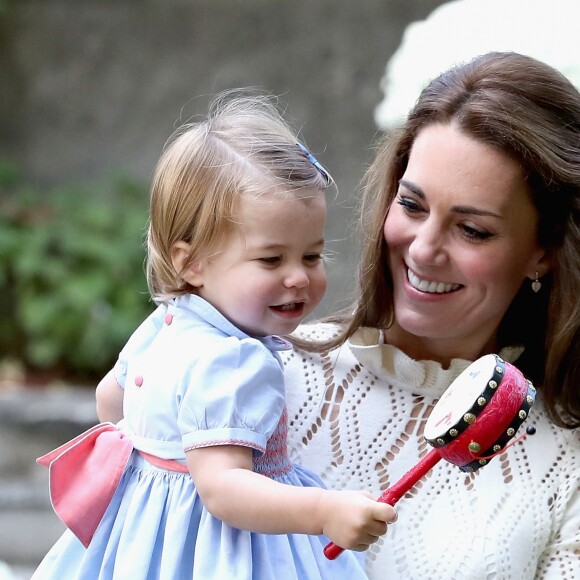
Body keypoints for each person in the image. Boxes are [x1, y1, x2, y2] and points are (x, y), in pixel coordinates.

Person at [32, 92, 396, 580]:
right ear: (191, 262)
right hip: (223, 550)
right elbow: (223, 490)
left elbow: (110, 402)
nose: (298, 278)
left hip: (142, 543)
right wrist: (324, 512)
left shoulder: (165, 324)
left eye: (311, 255)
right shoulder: (234, 360)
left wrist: (154, 479)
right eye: (271, 259)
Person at [282, 52, 580, 579]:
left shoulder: (567, 463)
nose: (422, 251)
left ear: (545, 251)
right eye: (412, 206)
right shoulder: (265, 372)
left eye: (472, 230)